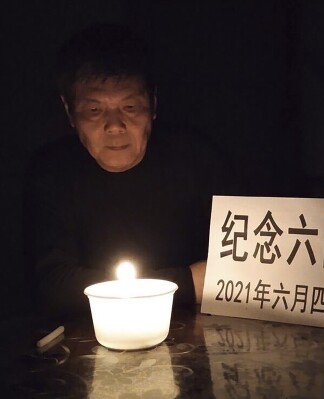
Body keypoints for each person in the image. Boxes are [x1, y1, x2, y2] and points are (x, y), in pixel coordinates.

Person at [23, 23, 239, 318]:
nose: (114, 126)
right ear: (69, 111)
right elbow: (55, 287)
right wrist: (186, 283)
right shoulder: (52, 172)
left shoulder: (197, 159)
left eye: (130, 108)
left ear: (153, 104)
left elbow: (241, 269)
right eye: (95, 111)